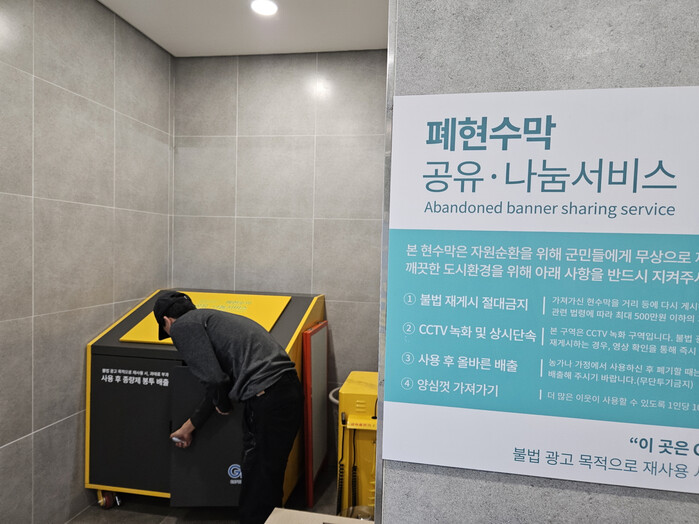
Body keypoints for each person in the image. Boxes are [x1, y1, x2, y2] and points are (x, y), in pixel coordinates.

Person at [153, 291, 303, 524]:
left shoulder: (183, 326)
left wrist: (222, 404)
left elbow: (215, 381)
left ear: (167, 321)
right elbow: (219, 383)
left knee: (258, 477)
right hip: (285, 391)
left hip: (267, 396)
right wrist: (189, 427)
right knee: (266, 474)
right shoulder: (213, 320)